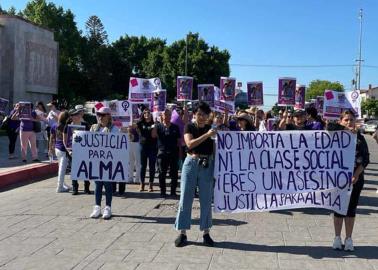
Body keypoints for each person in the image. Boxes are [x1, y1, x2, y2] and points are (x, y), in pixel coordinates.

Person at [174, 101, 216, 247]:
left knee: (206, 201)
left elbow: (216, 150)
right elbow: (189, 144)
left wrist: (216, 169)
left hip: (207, 165)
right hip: (191, 164)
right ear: (194, 114)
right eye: (199, 114)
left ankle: (206, 232)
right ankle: (182, 232)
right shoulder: (189, 126)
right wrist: (207, 135)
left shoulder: (212, 129)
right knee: (185, 198)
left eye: (205, 114)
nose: (202, 117)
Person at [328, 110, 369, 251]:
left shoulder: (359, 138)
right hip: (338, 180)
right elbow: (329, 126)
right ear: (341, 121)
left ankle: (349, 238)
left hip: (355, 179)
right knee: (338, 209)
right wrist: (345, 130)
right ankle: (337, 238)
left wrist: (356, 174)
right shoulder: (335, 135)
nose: (349, 122)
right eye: (346, 119)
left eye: (351, 119)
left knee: (351, 209)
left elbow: (365, 158)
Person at [89, 107, 119, 219]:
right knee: (97, 184)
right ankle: (97, 207)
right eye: (98, 115)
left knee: (107, 184)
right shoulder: (93, 128)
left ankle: (108, 207)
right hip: (97, 161)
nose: (100, 117)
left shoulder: (114, 129)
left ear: (108, 116)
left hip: (109, 162)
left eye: (102, 115)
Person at [64, 108, 91, 195]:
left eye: (78, 114)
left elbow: (90, 137)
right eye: (76, 115)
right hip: (72, 151)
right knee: (74, 169)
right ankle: (75, 188)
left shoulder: (85, 125)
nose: (78, 116)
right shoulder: (67, 127)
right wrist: (69, 151)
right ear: (71, 117)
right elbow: (65, 140)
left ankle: (87, 188)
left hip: (84, 151)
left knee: (86, 168)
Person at [156, 109, 181, 197]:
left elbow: (178, 141)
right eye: (165, 115)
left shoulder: (175, 127)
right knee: (162, 173)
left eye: (169, 115)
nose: (167, 116)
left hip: (173, 153)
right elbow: (153, 135)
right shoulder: (158, 126)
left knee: (174, 173)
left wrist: (180, 154)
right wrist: (154, 126)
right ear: (162, 116)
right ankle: (163, 191)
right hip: (162, 153)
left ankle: (173, 192)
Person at [49, 111, 71, 192]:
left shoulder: (54, 125)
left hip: (57, 148)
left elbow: (51, 138)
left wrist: (50, 148)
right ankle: (59, 187)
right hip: (63, 149)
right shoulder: (67, 126)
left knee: (61, 168)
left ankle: (63, 184)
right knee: (62, 169)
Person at [137, 108, 158, 192]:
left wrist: (155, 125)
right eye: (145, 113)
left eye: (148, 113)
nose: (147, 114)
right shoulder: (140, 123)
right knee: (143, 166)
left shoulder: (154, 123)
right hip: (143, 146)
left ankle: (150, 184)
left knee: (152, 166)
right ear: (143, 114)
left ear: (151, 114)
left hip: (152, 147)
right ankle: (142, 184)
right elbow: (134, 126)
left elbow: (154, 135)